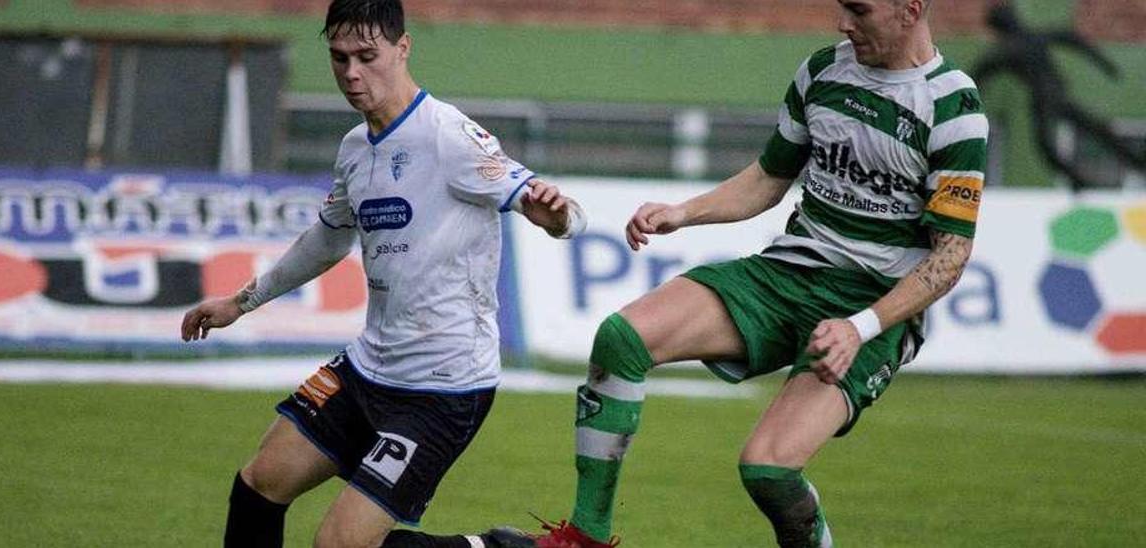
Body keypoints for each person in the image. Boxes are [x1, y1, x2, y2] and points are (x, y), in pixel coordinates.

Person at [487, 0, 986, 546]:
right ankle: (586, 536)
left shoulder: (952, 106)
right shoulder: (823, 71)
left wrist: (860, 326)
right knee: (622, 338)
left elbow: (949, 257)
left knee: (768, 471)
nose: (843, 23)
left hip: (872, 305)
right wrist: (685, 213)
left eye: (859, 10)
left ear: (910, 8)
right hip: (789, 273)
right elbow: (769, 178)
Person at [179, 1, 587, 546]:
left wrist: (558, 215)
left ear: (403, 48)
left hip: (442, 389)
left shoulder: (449, 136)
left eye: (367, 56)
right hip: (368, 367)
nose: (352, 73)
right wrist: (242, 301)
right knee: (259, 483)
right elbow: (327, 239)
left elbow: (559, 213)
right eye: (339, 58)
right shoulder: (354, 148)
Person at [974, 1, 1144, 191]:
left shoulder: (1008, 50)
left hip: (1044, 99)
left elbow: (981, 72)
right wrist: (1105, 65)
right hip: (1058, 94)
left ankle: (1081, 179)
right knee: (1093, 130)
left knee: (1050, 146)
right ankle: (1123, 166)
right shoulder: (1034, 38)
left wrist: (967, 95)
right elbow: (1073, 40)